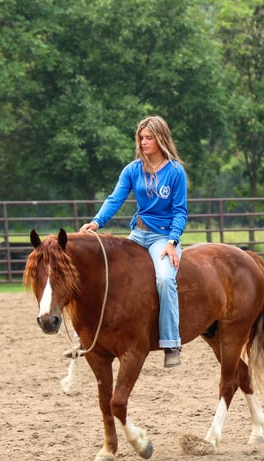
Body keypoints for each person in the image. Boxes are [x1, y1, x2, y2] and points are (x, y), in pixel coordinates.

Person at [78, 115, 188, 368]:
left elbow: (180, 211)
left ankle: (171, 342)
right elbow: (115, 198)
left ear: (161, 138)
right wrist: (96, 222)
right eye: (141, 137)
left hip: (163, 237)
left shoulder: (175, 172)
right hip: (137, 234)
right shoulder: (132, 169)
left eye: (149, 137)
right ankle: (92, 333)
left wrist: (172, 241)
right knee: (108, 275)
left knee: (164, 278)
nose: (144, 142)